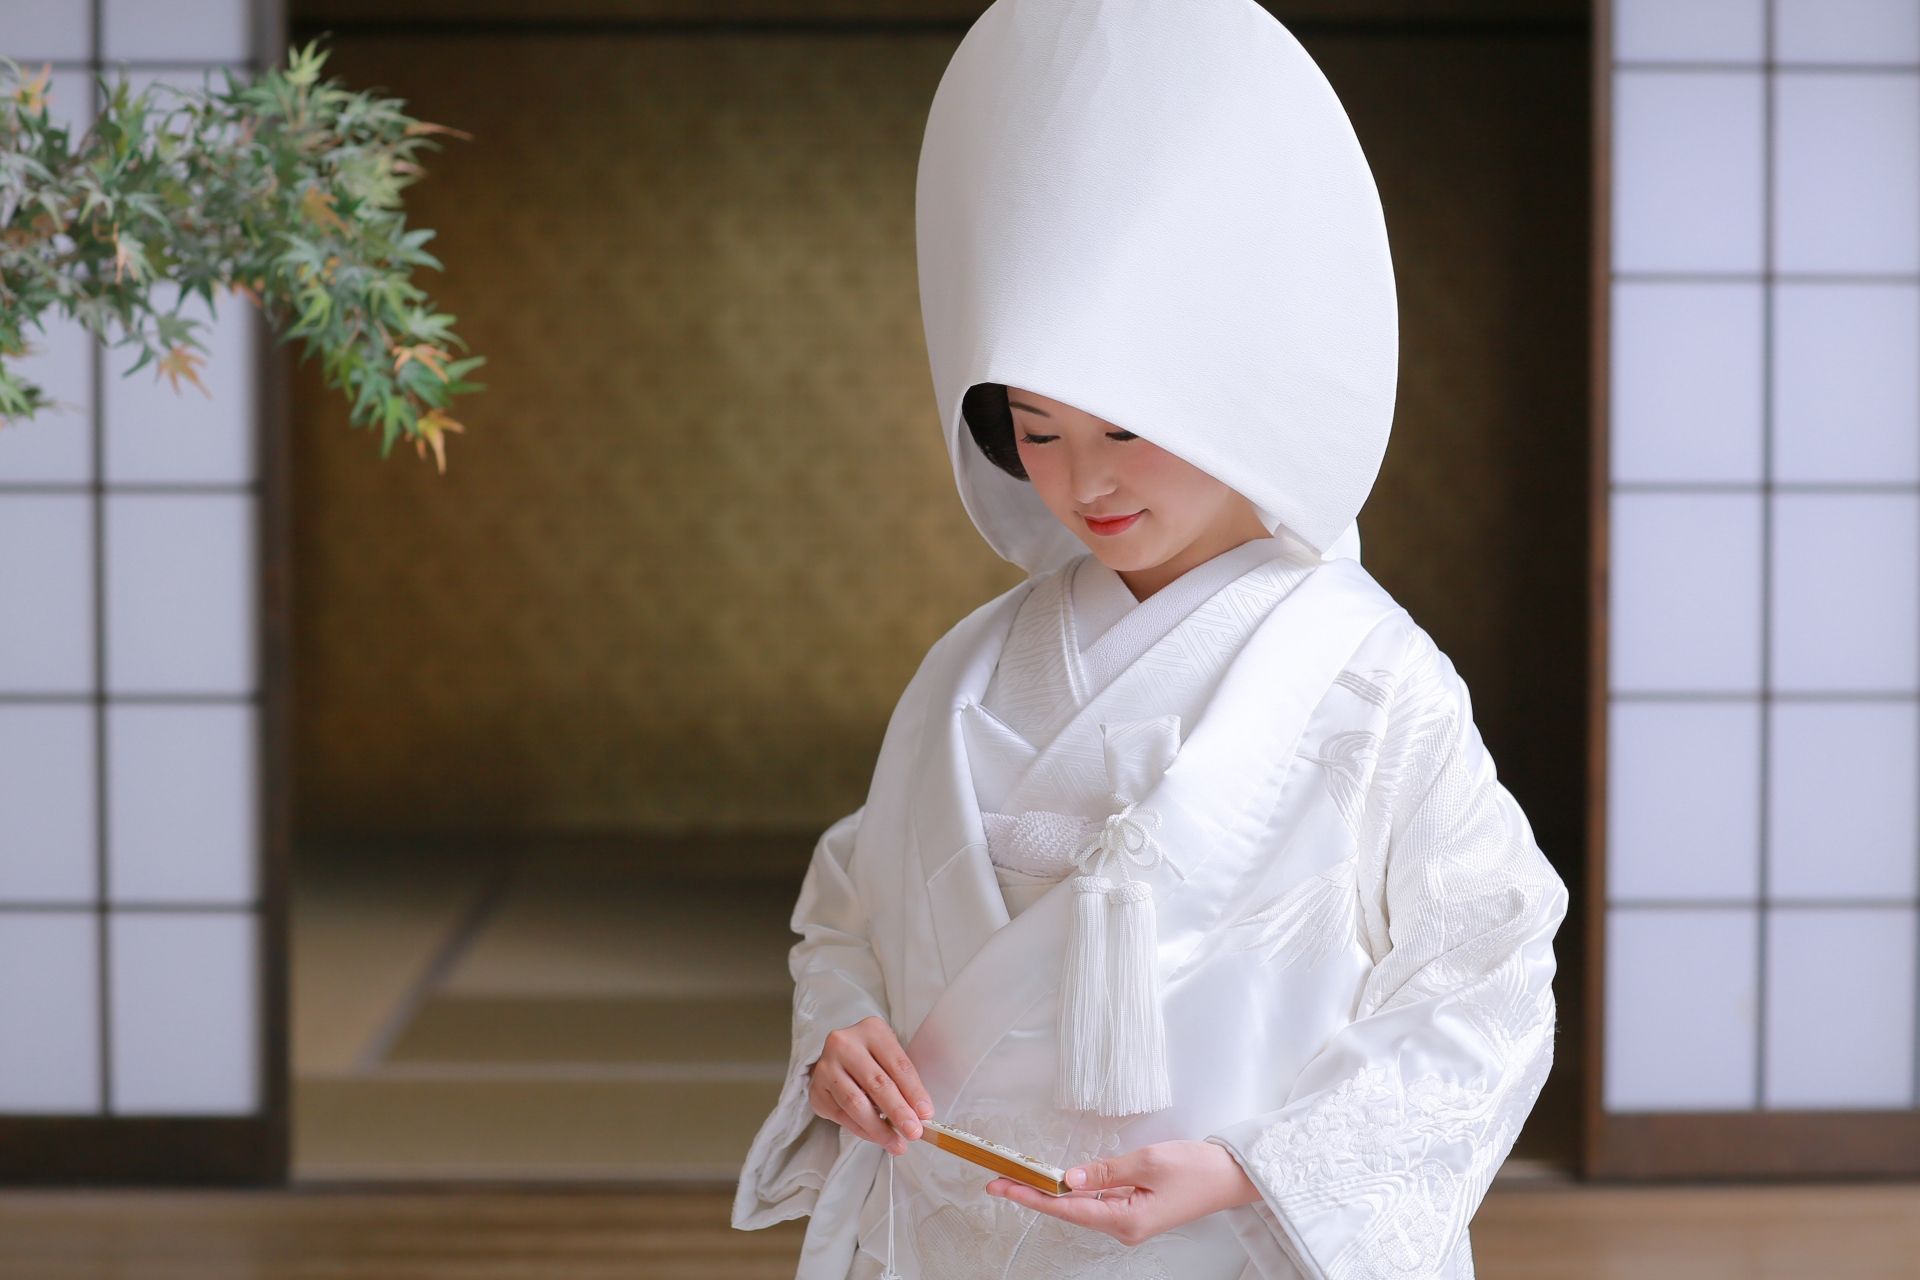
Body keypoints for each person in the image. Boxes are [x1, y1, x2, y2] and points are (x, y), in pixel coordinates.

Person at [732, 2, 1569, 1277]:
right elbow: (849, 908)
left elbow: (1490, 968)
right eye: (1038, 427)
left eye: (1126, 426)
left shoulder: (1368, 677)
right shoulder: (966, 671)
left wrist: (1253, 1169)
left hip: (1228, 1235)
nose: (1082, 482)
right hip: (971, 1236)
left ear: (1230, 392)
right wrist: (839, 1034)